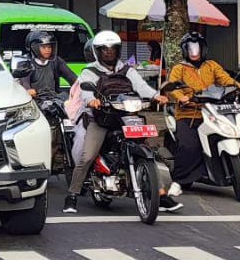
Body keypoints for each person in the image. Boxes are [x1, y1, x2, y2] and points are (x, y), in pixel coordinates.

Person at [65, 30, 176, 214]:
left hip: (126, 117)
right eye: (104, 50)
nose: (109, 53)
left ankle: (161, 195)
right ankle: (72, 195)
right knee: (87, 156)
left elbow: (141, 87)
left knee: (149, 151)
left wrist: (156, 96)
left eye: (113, 49)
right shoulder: (90, 71)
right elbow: (85, 91)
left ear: (118, 50)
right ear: (97, 52)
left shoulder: (127, 70)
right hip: (101, 119)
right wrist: (92, 100)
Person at [163, 32, 240, 186]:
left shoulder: (211, 65)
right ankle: (181, 179)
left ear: (203, 49)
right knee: (189, 145)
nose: (194, 52)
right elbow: (173, 87)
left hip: (211, 110)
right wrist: (181, 97)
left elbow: (224, 79)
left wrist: (238, 85)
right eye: (190, 48)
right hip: (189, 114)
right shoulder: (179, 68)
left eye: (197, 48)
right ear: (185, 50)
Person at [19, 29, 78, 101]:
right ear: (34, 47)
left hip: (54, 100)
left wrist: (79, 86)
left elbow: (71, 76)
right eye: (43, 47)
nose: (47, 50)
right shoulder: (26, 62)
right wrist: (28, 90)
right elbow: (25, 82)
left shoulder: (56, 61)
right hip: (33, 102)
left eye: (49, 47)